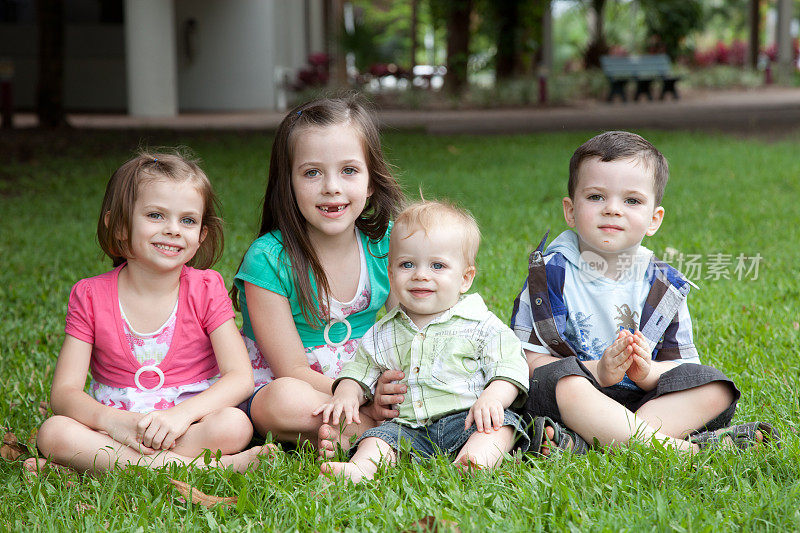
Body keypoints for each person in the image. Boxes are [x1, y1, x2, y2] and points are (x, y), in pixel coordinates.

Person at [511, 131, 779, 455]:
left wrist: (649, 373)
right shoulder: (548, 275)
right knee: (565, 385)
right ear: (570, 210)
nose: (612, 209)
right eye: (596, 197)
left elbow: (680, 367)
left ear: (654, 219)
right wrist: (597, 370)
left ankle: (589, 442)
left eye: (632, 200)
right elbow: (525, 361)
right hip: (577, 399)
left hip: (643, 402)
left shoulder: (664, 285)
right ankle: (680, 451)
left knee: (716, 388)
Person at [25, 151, 268, 475]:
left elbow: (240, 378)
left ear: (201, 236)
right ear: (120, 225)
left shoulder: (205, 288)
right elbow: (65, 393)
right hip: (116, 427)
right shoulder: (91, 295)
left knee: (235, 425)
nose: (173, 229)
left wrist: (181, 415)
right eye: (155, 215)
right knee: (54, 432)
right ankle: (206, 468)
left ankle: (104, 465)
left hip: (190, 424)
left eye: (188, 220)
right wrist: (115, 422)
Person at [231, 97, 406, 452]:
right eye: (312, 172)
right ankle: (377, 427)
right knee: (279, 401)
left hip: (366, 375)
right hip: (302, 387)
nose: (332, 187)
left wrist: (385, 383)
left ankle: (341, 433)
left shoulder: (384, 244)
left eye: (349, 171)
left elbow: (413, 322)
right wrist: (362, 397)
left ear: (371, 181)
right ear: (288, 183)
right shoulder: (268, 259)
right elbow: (291, 368)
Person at [317, 200, 530, 482]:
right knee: (378, 439)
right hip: (406, 428)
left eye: (438, 265)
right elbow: (360, 369)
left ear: (465, 278)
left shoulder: (480, 324)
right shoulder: (384, 332)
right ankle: (359, 470)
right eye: (407, 264)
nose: (421, 274)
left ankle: (475, 461)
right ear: (391, 275)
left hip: (466, 419)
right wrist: (346, 392)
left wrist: (492, 398)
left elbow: (510, 366)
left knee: (501, 427)